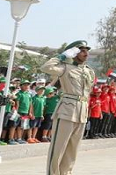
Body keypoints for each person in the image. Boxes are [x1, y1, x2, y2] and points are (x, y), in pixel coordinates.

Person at [40, 40, 95, 175]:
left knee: (72, 150)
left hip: (82, 111)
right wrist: (63, 56)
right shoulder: (64, 67)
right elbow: (45, 67)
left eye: (86, 50)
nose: (85, 53)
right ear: (74, 52)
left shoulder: (89, 71)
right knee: (58, 148)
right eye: (81, 50)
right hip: (66, 111)